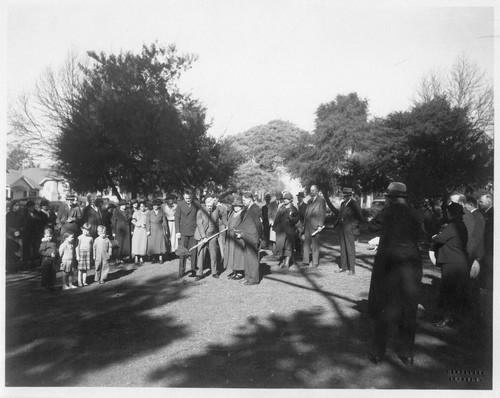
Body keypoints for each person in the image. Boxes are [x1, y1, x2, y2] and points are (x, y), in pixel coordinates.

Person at [367, 182, 422, 366]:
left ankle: (377, 353)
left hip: (388, 264)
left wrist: (383, 210)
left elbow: (372, 227)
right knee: (408, 308)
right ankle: (407, 353)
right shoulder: (415, 214)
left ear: (390, 198)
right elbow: (420, 236)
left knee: (383, 306)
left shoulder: (387, 212)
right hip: (411, 265)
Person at [431, 202, 469, 327]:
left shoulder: (452, 226)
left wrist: (435, 236)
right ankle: (456, 318)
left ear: (450, 213)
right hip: (460, 261)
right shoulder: (462, 225)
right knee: (457, 291)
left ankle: (446, 318)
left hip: (451, 262)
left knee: (447, 291)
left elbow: (440, 239)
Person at [334, 187, 363, 275]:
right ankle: (343, 267)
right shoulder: (343, 204)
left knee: (350, 248)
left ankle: (351, 269)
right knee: (343, 248)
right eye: (343, 194)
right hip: (342, 228)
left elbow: (359, 218)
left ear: (349, 195)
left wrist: (352, 227)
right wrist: (336, 224)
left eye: (344, 195)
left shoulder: (354, 204)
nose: (343, 196)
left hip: (349, 228)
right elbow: (340, 215)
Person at [236, 192, 263, 285]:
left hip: (253, 237)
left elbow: (258, 224)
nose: (243, 202)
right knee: (247, 259)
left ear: (249, 199)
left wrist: (260, 237)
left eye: (244, 200)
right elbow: (248, 224)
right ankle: (247, 277)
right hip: (247, 236)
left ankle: (254, 279)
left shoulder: (255, 208)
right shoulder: (248, 208)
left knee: (253, 259)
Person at [463, 195, 485, 311]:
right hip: (475, 253)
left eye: (465, 205)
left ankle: (472, 307)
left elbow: (475, 238)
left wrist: (468, 254)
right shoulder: (477, 215)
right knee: (472, 284)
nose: (464, 207)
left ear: (470, 204)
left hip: (474, 254)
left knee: (472, 283)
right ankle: (472, 305)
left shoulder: (476, 216)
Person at [175, 189, 200, 278]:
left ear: (192, 196)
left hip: (194, 231)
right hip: (183, 231)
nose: (188, 200)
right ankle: (181, 272)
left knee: (193, 251)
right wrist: (177, 231)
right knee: (182, 252)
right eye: (186, 198)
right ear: (183, 197)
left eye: (189, 198)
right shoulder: (180, 204)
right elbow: (177, 218)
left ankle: (194, 269)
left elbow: (200, 216)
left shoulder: (196, 203)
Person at [194, 196, 220, 280]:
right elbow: (199, 224)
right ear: (205, 205)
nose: (210, 207)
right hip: (203, 235)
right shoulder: (200, 212)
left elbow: (216, 223)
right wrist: (203, 237)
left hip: (212, 235)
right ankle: (199, 274)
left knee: (214, 254)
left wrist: (217, 233)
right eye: (208, 206)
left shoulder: (216, 210)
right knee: (201, 254)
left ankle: (214, 272)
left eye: (211, 205)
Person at [273, 192, 300, 269]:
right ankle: (281, 261)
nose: (285, 200)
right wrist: (275, 227)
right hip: (280, 231)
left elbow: (296, 219)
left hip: (289, 231)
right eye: (284, 199)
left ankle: (287, 263)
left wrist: (291, 219)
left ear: (290, 200)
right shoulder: (281, 207)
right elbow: (277, 217)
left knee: (288, 247)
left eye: (287, 199)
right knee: (280, 246)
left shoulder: (293, 209)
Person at [301, 185, 326, 268]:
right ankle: (305, 261)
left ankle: (315, 262)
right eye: (310, 190)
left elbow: (322, 213)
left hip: (315, 226)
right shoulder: (309, 201)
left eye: (313, 190)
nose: (311, 192)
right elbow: (306, 213)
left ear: (317, 191)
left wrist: (320, 225)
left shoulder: (321, 201)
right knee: (306, 244)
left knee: (315, 245)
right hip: (307, 226)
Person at [224, 196, 246, 280]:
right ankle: (234, 271)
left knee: (239, 255)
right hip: (230, 236)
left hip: (238, 237)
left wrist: (241, 234)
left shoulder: (243, 213)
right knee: (231, 253)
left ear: (241, 206)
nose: (236, 207)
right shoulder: (232, 213)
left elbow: (246, 226)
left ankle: (240, 272)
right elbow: (229, 223)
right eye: (235, 205)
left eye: (238, 205)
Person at [146, 198, 169, 264]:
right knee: (153, 244)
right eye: (153, 205)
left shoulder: (162, 212)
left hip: (159, 229)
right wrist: (148, 230)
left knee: (160, 243)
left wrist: (166, 230)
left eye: (156, 205)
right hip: (152, 229)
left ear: (158, 206)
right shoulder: (149, 213)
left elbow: (164, 222)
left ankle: (160, 258)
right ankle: (153, 258)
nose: (155, 207)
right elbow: (147, 222)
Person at [23, 200, 44, 269]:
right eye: (31, 207)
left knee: (35, 247)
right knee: (27, 248)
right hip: (27, 233)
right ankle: (27, 263)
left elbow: (40, 220)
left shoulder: (36, 212)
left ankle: (34, 262)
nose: (33, 208)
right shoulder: (24, 213)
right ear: (28, 207)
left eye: (33, 206)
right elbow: (24, 222)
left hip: (35, 233)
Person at [478, 194, 493, 292]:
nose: (479, 203)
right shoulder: (484, 213)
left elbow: (490, 234)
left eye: (481, 202)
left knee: (488, 270)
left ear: (488, 202)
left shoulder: (493, 214)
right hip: (484, 248)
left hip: (489, 248)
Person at [6, 200, 26, 271]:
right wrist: (14, 231)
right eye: (16, 205)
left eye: (19, 205)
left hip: (19, 235)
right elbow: (7, 225)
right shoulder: (8, 215)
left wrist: (19, 231)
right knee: (11, 251)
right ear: (13, 206)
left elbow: (24, 225)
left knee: (19, 252)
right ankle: (11, 267)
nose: (18, 207)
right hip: (11, 236)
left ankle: (18, 267)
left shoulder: (21, 215)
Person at [162, 194, 178, 259]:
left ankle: (174, 252)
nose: (170, 201)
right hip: (167, 222)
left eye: (171, 199)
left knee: (174, 237)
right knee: (167, 236)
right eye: (169, 199)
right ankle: (168, 252)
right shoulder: (163, 206)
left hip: (174, 222)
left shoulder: (176, 206)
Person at [295, 192, 307, 257]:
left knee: (302, 240)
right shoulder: (296, 205)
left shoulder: (305, 206)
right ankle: (297, 254)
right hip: (296, 225)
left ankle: (303, 255)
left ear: (302, 198)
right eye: (297, 197)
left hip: (302, 225)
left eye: (299, 197)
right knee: (296, 240)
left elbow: (305, 217)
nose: (298, 198)